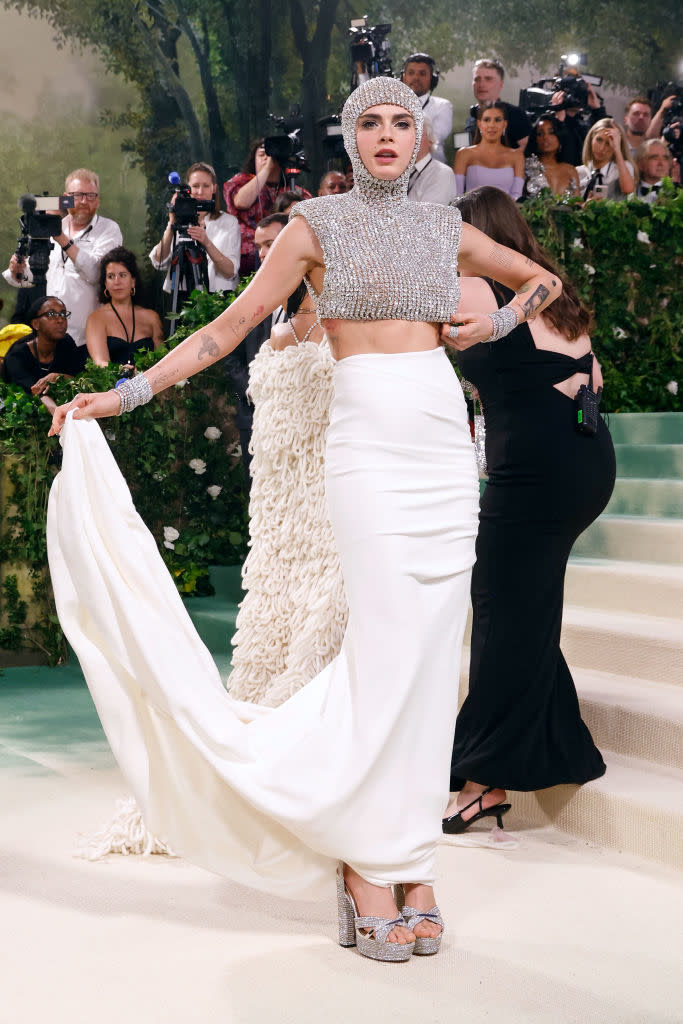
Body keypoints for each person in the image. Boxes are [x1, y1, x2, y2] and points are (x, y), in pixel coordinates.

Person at [47, 77, 560, 962]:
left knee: (435, 659)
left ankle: (413, 857)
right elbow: (230, 327)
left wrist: (495, 324)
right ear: (351, 140)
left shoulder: (445, 228)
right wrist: (124, 394)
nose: (390, 135)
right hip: (365, 447)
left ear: (418, 138)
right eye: (373, 122)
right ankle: (368, 862)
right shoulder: (315, 226)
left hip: (442, 443)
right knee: (387, 649)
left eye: (404, 121)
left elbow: (540, 279)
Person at [440, 186, 615, 834]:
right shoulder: (553, 290)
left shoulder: (475, 287)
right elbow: (590, 381)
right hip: (586, 460)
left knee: (499, 607)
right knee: (522, 603)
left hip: (534, 472)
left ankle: (484, 779)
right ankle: (554, 738)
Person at [228, 280, 346, 706]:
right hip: (322, 476)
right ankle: (306, 698)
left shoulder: (279, 334)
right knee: (315, 580)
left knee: (283, 580)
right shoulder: (345, 327)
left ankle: (269, 692)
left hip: (282, 482)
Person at [3, 168, 122, 347]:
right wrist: (18, 270)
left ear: (98, 199)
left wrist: (62, 239)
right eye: (78, 195)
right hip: (48, 337)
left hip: (86, 338)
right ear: (66, 197)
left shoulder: (108, 230)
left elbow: (98, 273)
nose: (84, 201)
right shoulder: (51, 226)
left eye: (91, 195)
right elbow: (34, 275)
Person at [222, 214, 289, 484]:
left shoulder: (318, 299)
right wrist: (255, 389)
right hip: (254, 418)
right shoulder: (249, 298)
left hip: (301, 424)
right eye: (258, 246)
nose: (262, 254)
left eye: (270, 244)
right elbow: (231, 355)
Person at [150, 162, 241, 302]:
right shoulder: (178, 222)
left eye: (206, 186)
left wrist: (206, 242)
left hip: (218, 298)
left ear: (214, 188)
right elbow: (159, 262)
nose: (200, 192)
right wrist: (172, 223)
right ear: (187, 189)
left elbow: (230, 272)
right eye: (195, 186)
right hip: (181, 296)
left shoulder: (229, 222)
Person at [224, 141, 312, 275]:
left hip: (287, 254)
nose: (268, 157)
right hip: (250, 257)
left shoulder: (295, 190)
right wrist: (268, 167)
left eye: (271, 155)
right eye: (262, 154)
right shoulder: (241, 182)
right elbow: (241, 202)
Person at [3, 295, 86, 413]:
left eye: (63, 314)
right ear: (36, 324)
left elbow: (79, 378)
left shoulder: (66, 343)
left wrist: (57, 377)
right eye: (51, 314)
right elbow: (35, 392)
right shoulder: (16, 356)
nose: (60, 320)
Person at [86, 248, 164, 368]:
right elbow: (100, 363)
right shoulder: (96, 318)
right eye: (111, 276)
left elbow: (162, 361)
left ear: (133, 281)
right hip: (113, 385)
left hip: (150, 384)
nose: (117, 282)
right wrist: (122, 371)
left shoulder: (152, 317)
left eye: (122, 275)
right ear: (105, 283)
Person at [454, 101, 525, 199]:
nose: (492, 125)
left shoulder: (517, 156)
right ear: (479, 124)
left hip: (507, 213)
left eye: (497, 120)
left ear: (504, 124)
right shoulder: (464, 154)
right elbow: (457, 196)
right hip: (472, 213)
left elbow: (517, 195)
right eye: (487, 120)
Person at [401, 52, 453, 163]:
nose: (416, 77)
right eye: (411, 73)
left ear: (432, 79)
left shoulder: (443, 106)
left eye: (422, 73)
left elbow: (434, 137)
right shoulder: (392, 105)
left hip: (434, 171)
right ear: (403, 78)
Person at [469, 59, 531, 151]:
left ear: (500, 85)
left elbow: (528, 153)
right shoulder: (472, 116)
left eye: (488, 79)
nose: (481, 84)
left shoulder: (516, 115)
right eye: (477, 79)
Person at [548, 81, 607, 166]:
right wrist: (559, 122)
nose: (577, 98)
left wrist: (597, 109)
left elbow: (605, 135)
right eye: (572, 92)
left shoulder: (581, 126)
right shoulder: (548, 123)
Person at [577, 119, 636, 200]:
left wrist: (617, 150)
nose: (602, 148)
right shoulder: (579, 172)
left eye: (608, 143)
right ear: (591, 138)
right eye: (599, 140)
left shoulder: (623, 168)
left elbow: (628, 190)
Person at [407, 117, 458, 204]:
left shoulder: (443, 173)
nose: (412, 140)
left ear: (431, 140)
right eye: (407, 135)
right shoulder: (398, 172)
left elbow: (429, 216)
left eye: (418, 135)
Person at [525, 115, 580, 196]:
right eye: (540, 133)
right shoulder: (527, 168)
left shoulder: (571, 170)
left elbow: (577, 204)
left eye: (551, 132)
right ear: (535, 139)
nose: (545, 137)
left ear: (560, 136)